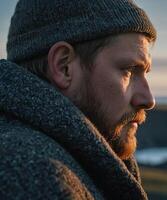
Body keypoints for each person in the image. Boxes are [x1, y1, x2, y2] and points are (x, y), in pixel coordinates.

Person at [0, 0, 156, 199]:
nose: (149, 99)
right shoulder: (35, 177)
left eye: (145, 73)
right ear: (64, 66)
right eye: (128, 70)